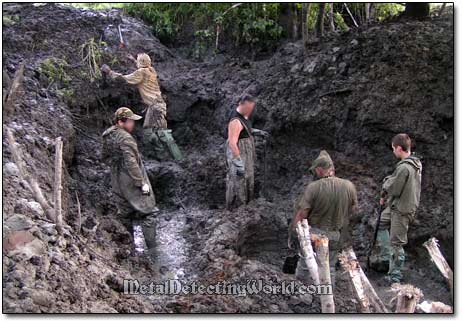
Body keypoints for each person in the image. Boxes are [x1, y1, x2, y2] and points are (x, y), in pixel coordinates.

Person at [288, 150, 358, 288]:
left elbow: (302, 214)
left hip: (314, 234)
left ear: (320, 170)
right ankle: (327, 297)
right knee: (329, 267)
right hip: (334, 234)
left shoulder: (313, 187)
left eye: (315, 170)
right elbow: (353, 210)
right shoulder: (349, 186)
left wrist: (293, 233)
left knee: (305, 264)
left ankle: (301, 294)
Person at [101, 53, 183, 161]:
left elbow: (124, 79)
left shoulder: (141, 73)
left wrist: (109, 72)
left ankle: (162, 157)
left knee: (150, 131)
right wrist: (133, 60)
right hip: (159, 105)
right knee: (162, 131)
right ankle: (177, 157)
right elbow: (143, 66)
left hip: (155, 107)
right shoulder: (152, 70)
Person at [102, 107, 159, 249]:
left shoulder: (107, 135)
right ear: (122, 121)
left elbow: (104, 157)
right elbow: (131, 163)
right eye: (131, 121)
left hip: (116, 180)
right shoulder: (126, 138)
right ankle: (152, 250)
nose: (133, 124)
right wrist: (141, 184)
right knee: (149, 212)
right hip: (130, 180)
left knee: (125, 214)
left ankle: (130, 249)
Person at [374, 134, 422, 283]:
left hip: (402, 209)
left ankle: (394, 276)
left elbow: (395, 189)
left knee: (397, 242)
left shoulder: (404, 168)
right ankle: (385, 257)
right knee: (381, 222)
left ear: (399, 148)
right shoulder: (415, 163)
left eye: (393, 148)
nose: (393, 151)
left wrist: (386, 182)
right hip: (398, 205)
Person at [226, 94, 268, 210]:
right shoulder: (235, 121)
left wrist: (257, 132)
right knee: (239, 180)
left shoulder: (244, 117)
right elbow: (232, 143)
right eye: (249, 107)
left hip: (247, 153)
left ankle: (246, 207)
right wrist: (238, 162)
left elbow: (245, 129)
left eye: (252, 108)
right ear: (242, 104)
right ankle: (237, 209)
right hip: (240, 152)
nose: (251, 111)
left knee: (248, 177)